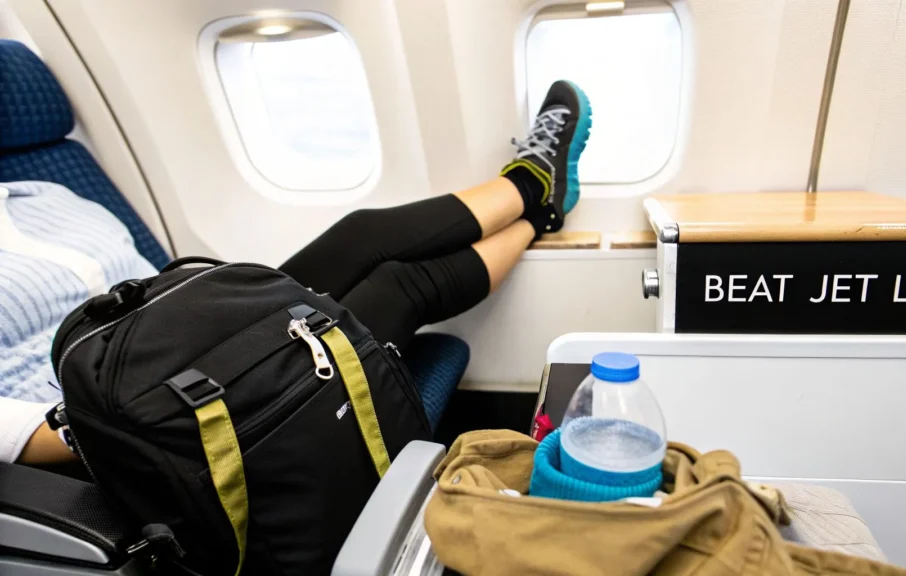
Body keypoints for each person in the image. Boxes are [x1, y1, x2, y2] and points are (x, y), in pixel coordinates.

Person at [0, 80, 592, 465]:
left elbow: (151, 284)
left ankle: (535, 197)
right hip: (135, 421)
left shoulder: (43, 194)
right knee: (396, 287)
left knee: (363, 233)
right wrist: (129, 426)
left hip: (175, 340)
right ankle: (531, 191)